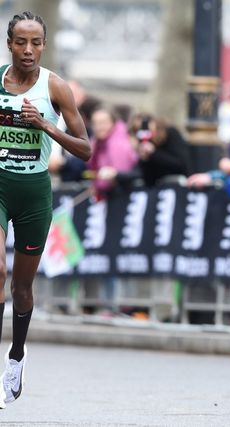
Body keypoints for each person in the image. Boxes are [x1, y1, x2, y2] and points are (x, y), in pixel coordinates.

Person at [0, 12, 91, 407]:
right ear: (9, 44)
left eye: (35, 43)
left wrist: (46, 126)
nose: (28, 50)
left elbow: (85, 149)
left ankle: (16, 356)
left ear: (44, 46)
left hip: (35, 194)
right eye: (21, 42)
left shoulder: (55, 87)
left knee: (21, 288)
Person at [129, 113, 192, 186]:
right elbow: (148, 178)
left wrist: (153, 153)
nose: (141, 132)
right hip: (158, 186)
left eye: (143, 127)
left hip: (177, 183)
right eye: (136, 130)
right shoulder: (144, 142)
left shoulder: (170, 133)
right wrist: (144, 158)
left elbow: (181, 164)